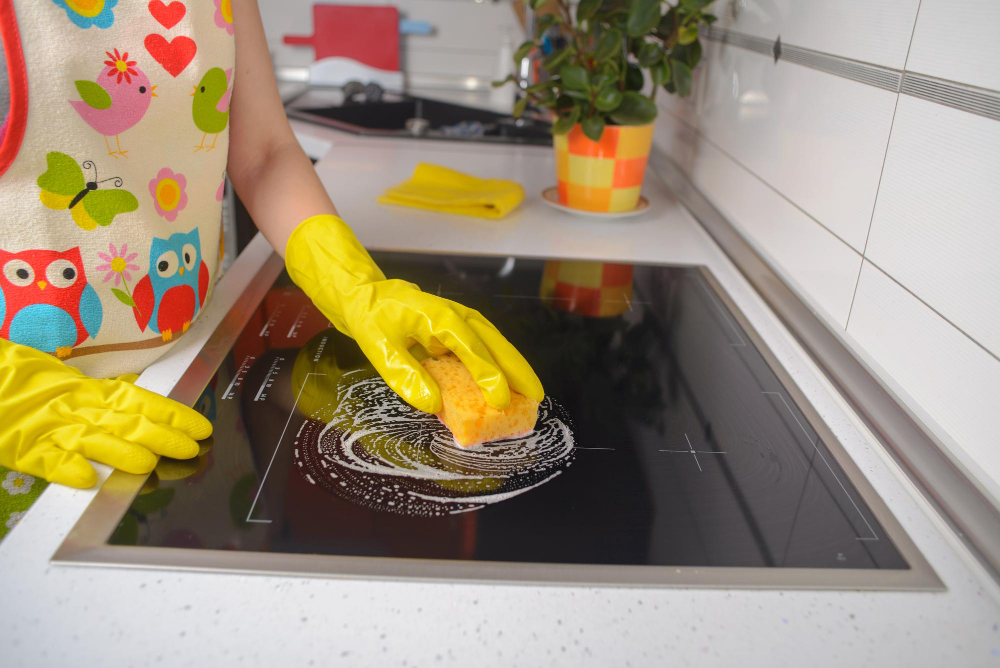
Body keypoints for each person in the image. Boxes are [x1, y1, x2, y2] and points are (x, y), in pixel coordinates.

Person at [0, 0, 542, 506]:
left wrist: (356, 287)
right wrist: (12, 389)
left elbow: (263, 152)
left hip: (195, 377)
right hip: (36, 428)